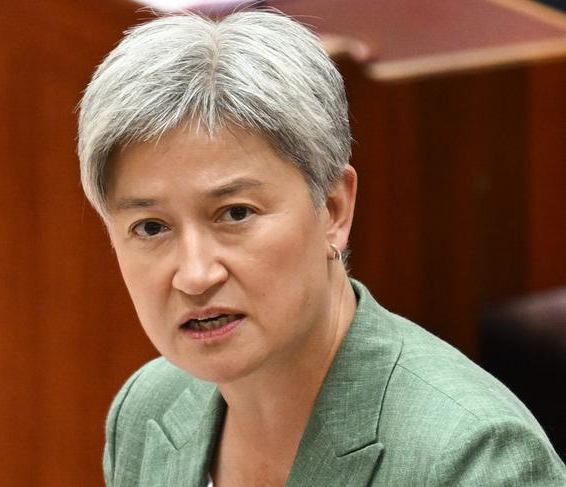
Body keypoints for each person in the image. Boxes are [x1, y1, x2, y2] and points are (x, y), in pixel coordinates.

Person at [77, 11, 566, 487]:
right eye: (150, 227)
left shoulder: (473, 460)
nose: (196, 274)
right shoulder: (146, 409)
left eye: (236, 213)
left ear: (333, 209)